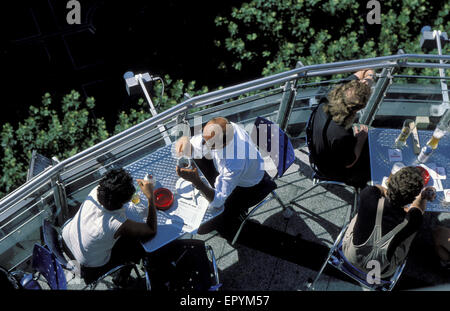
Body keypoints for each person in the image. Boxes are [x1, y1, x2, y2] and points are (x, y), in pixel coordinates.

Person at [174, 117, 276, 239]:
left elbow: (218, 201)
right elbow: (202, 144)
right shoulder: (226, 128)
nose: (203, 143)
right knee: (200, 160)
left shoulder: (234, 162)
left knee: (203, 226)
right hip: (246, 168)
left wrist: (197, 182)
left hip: (248, 187)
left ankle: (231, 225)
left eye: (209, 144)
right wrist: (186, 141)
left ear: (222, 144)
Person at [62, 168, 157, 285]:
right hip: (88, 267)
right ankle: (121, 277)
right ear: (124, 201)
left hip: (66, 242)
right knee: (137, 245)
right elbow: (151, 230)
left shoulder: (97, 190)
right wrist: (150, 197)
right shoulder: (116, 223)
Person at [342, 166, 436, 278]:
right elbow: (418, 208)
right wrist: (424, 196)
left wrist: (393, 191)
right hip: (381, 271)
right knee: (409, 232)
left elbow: (379, 189)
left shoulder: (369, 194)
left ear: (390, 182)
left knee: (360, 215)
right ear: (411, 199)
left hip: (349, 255)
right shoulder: (414, 219)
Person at [309, 69, 375, 188]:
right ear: (357, 109)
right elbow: (350, 162)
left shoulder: (328, 98)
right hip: (331, 170)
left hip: (316, 155)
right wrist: (361, 138)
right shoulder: (342, 134)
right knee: (373, 161)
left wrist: (369, 76)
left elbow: (360, 72)